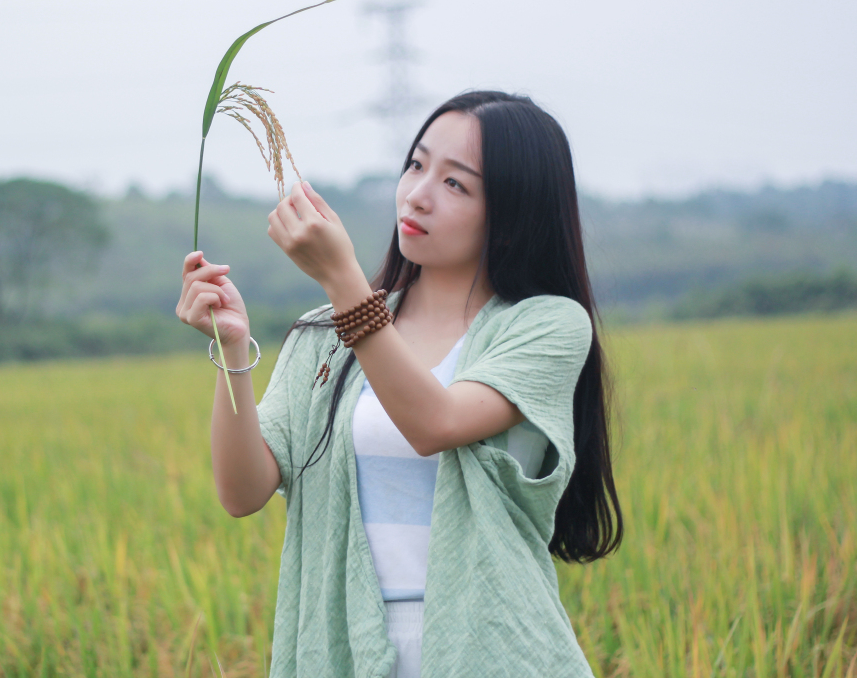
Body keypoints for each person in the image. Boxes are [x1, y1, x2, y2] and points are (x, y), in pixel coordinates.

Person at [176, 90, 623, 678]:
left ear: (514, 216)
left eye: (455, 184)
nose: (417, 193)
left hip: (494, 648)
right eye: (415, 164)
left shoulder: (546, 325)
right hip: (345, 644)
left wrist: (343, 281)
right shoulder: (325, 333)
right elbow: (242, 492)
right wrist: (232, 345)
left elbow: (436, 423)